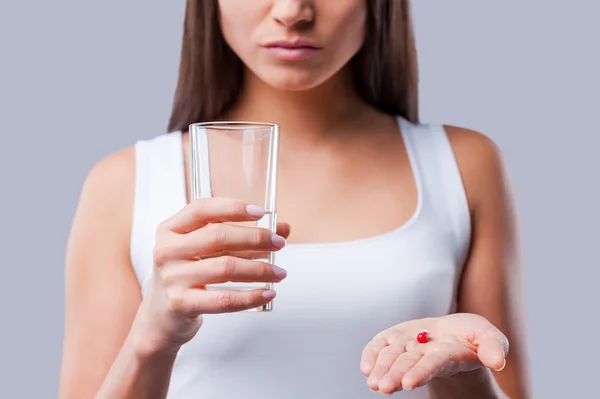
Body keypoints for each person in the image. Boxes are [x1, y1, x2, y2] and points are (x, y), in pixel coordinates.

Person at [58, 0, 532, 398]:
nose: (293, 12)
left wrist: (464, 372)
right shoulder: (124, 182)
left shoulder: (464, 164)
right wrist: (152, 338)